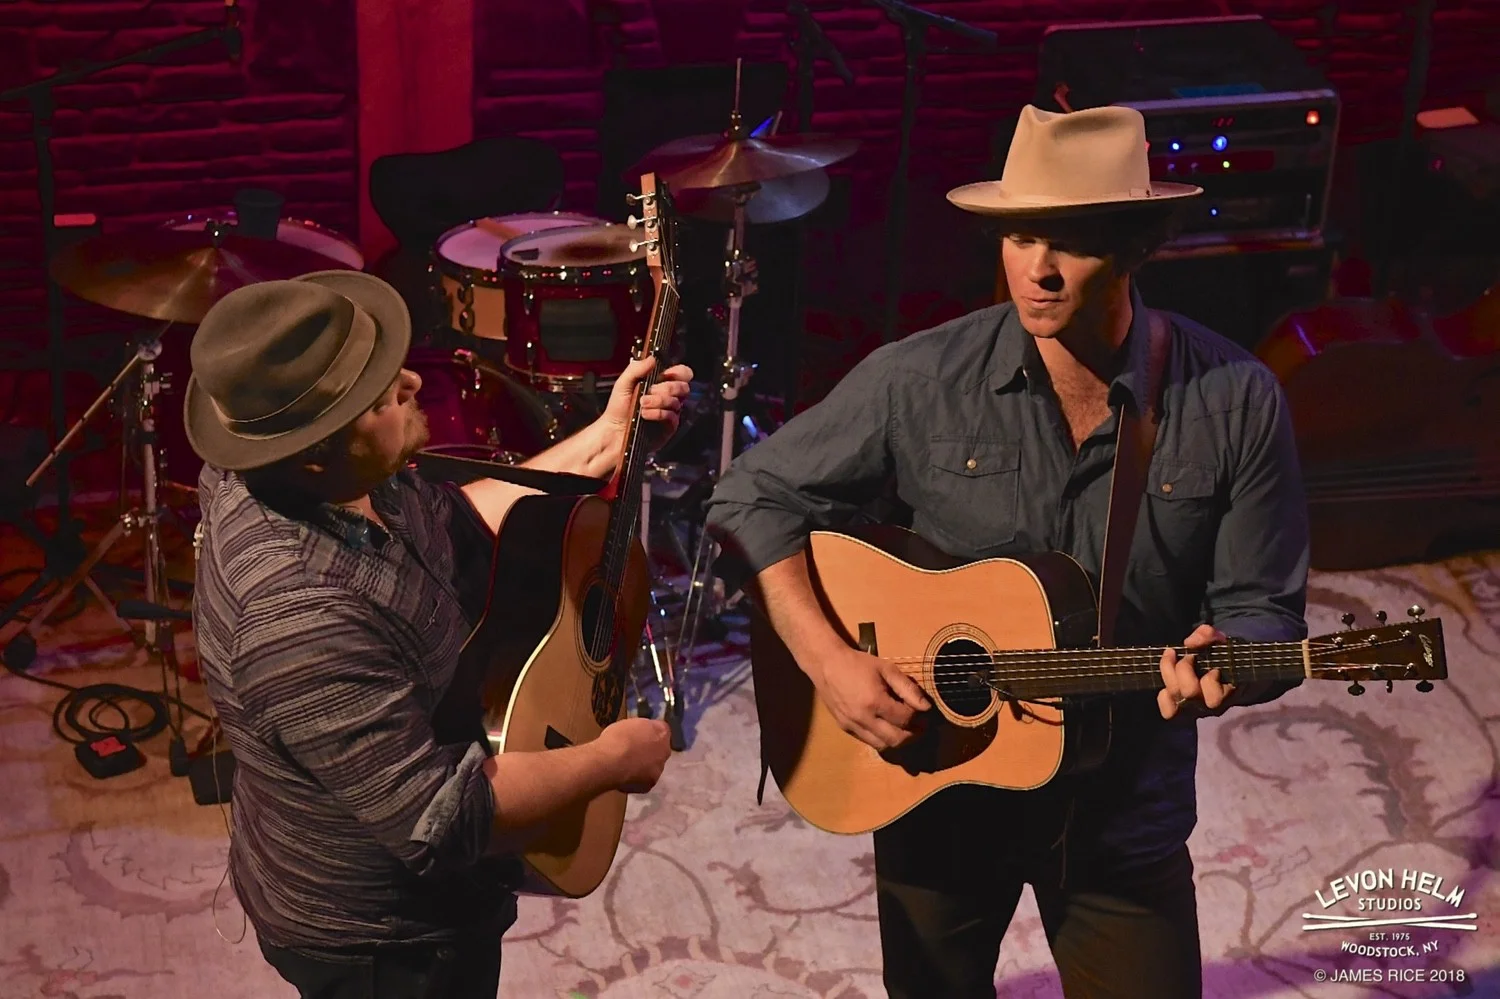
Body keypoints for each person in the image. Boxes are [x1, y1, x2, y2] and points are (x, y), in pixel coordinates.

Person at [705, 104, 1309, 999]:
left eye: (1073, 241)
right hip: (940, 787)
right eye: (1021, 235)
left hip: (1121, 809)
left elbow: (1266, 611)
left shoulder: (1236, 400)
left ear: (1135, 246)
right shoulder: (920, 378)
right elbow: (748, 495)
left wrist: (1233, 660)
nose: (1038, 268)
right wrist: (829, 661)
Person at [185, 271, 692, 998]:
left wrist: (601, 441)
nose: (413, 384)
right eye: (380, 399)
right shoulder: (298, 617)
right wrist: (612, 759)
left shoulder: (329, 474)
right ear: (314, 450)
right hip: (384, 943)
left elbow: (450, 522)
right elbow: (442, 820)